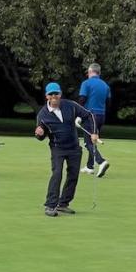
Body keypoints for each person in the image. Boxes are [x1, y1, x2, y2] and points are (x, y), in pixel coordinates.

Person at [35, 82, 98, 216]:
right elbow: (42, 134)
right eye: (51, 94)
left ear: (60, 94)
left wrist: (93, 132)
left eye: (56, 93)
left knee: (73, 175)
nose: (54, 96)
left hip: (74, 147)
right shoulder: (43, 115)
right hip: (58, 148)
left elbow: (89, 115)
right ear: (46, 96)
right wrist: (39, 134)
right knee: (57, 173)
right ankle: (50, 205)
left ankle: (63, 204)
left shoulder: (71, 105)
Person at [77, 63, 111, 177]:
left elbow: (82, 99)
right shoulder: (105, 85)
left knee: (88, 142)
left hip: (90, 115)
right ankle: (89, 166)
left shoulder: (86, 83)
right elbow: (108, 102)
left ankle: (101, 162)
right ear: (99, 72)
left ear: (90, 71)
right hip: (102, 115)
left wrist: (79, 115)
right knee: (93, 140)